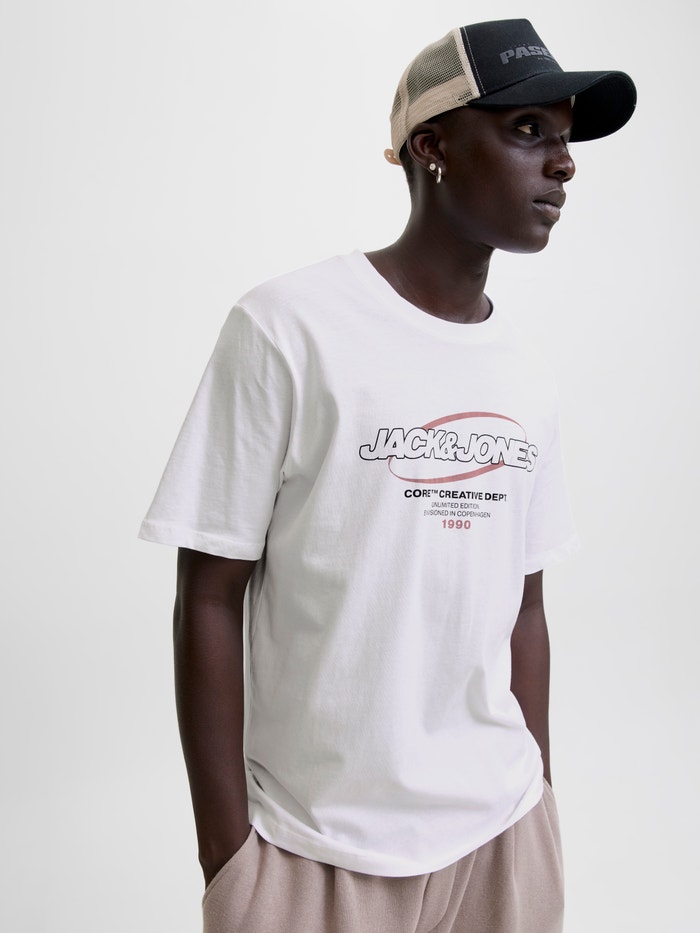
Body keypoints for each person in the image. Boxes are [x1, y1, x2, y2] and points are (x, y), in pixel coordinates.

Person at [139, 18, 636, 933]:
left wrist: (541, 797)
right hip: (313, 849)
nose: (563, 163)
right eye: (528, 130)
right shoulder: (288, 327)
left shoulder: (523, 371)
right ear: (431, 146)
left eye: (565, 138)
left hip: (501, 838)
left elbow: (525, 606)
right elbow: (208, 594)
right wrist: (228, 859)